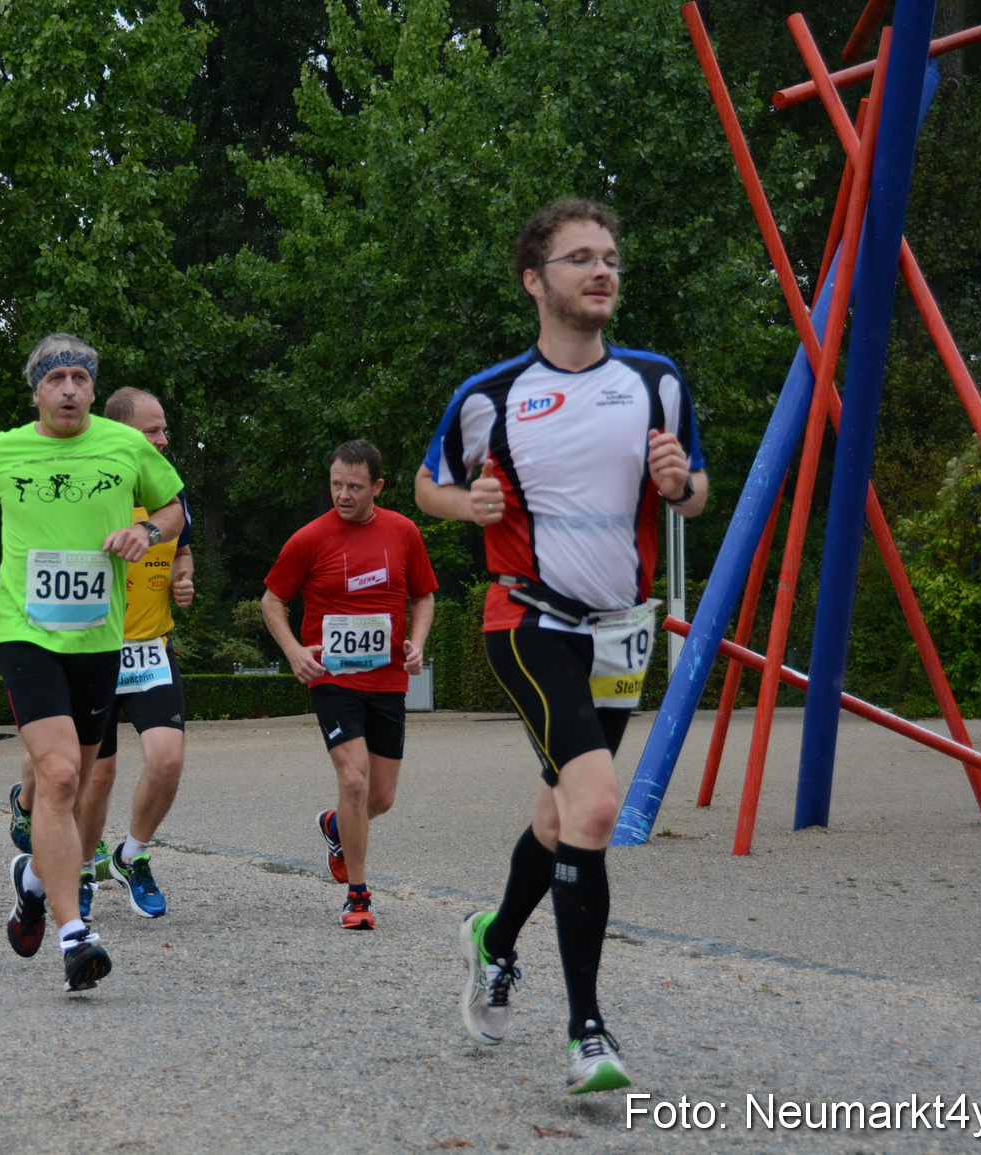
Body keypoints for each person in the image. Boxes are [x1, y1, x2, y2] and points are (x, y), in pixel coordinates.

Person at [415, 197, 707, 1093]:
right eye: (579, 257)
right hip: (528, 620)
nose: (602, 269)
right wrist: (468, 504)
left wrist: (680, 485)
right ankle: (587, 1033)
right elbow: (428, 487)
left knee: (559, 816)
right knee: (597, 804)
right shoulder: (490, 395)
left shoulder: (655, 380)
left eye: (609, 256)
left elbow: (694, 490)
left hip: (622, 629)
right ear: (534, 281)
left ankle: (493, 938)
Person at [0, 333, 184, 993]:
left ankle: (31, 883)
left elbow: (173, 507)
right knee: (57, 778)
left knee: (78, 785)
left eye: (80, 378)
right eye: (57, 379)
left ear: (92, 388)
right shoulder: (4, 449)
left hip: (98, 639)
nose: (70, 389)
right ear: (37, 391)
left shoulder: (125, 444)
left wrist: (146, 531)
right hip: (24, 631)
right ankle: (75, 936)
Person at [7, 386, 196, 920]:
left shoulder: (171, 495)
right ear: (120, 435)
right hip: (91, 648)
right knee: (91, 775)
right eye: (153, 431)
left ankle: (131, 856)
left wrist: (182, 579)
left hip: (148, 649)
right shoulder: (87, 486)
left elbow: (183, 551)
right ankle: (79, 866)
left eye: (164, 430)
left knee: (167, 759)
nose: (163, 439)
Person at [261, 439, 438, 931]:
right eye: (336, 484)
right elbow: (272, 601)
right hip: (332, 679)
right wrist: (294, 651)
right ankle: (357, 896)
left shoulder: (403, 532)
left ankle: (336, 825)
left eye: (354, 487)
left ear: (377, 486)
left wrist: (418, 643)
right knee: (354, 781)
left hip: (387, 680)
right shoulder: (309, 538)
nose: (342, 494)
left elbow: (424, 596)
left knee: (380, 798)